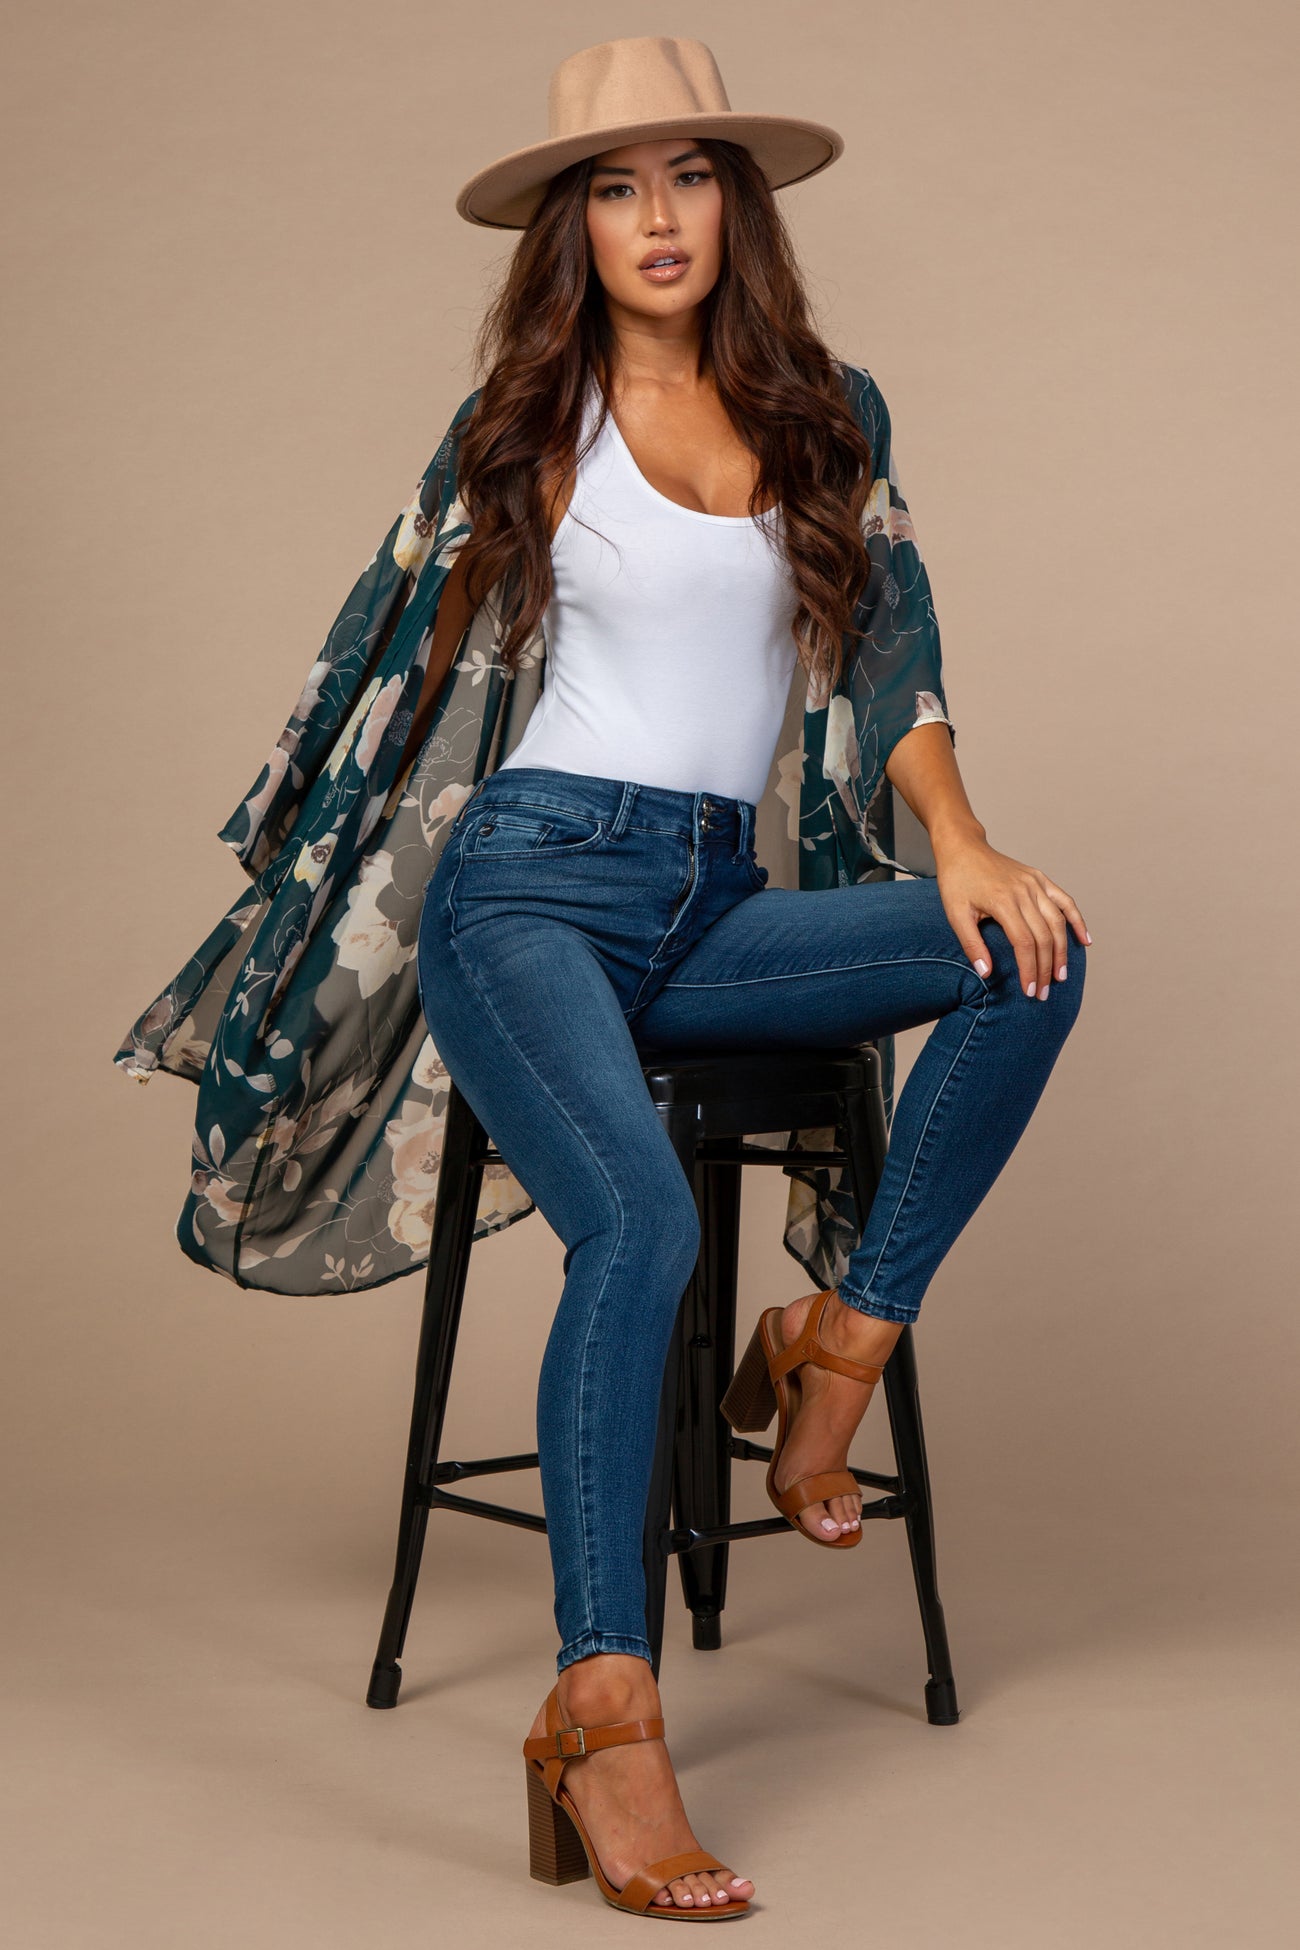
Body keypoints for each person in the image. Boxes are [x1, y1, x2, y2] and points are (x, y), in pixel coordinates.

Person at [404, 34, 1091, 1923]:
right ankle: (603, 1705)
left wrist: (960, 841)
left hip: (713, 896)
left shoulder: (824, 413)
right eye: (617, 187)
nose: (659, 218)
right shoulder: (524, 420)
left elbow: (890, 655)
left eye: (690, 176)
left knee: (1030, 951)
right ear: (571, 224)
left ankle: (833, 1346)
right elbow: (396, 681)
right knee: (636, 1222)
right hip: (526, 892)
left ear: (738, 203)